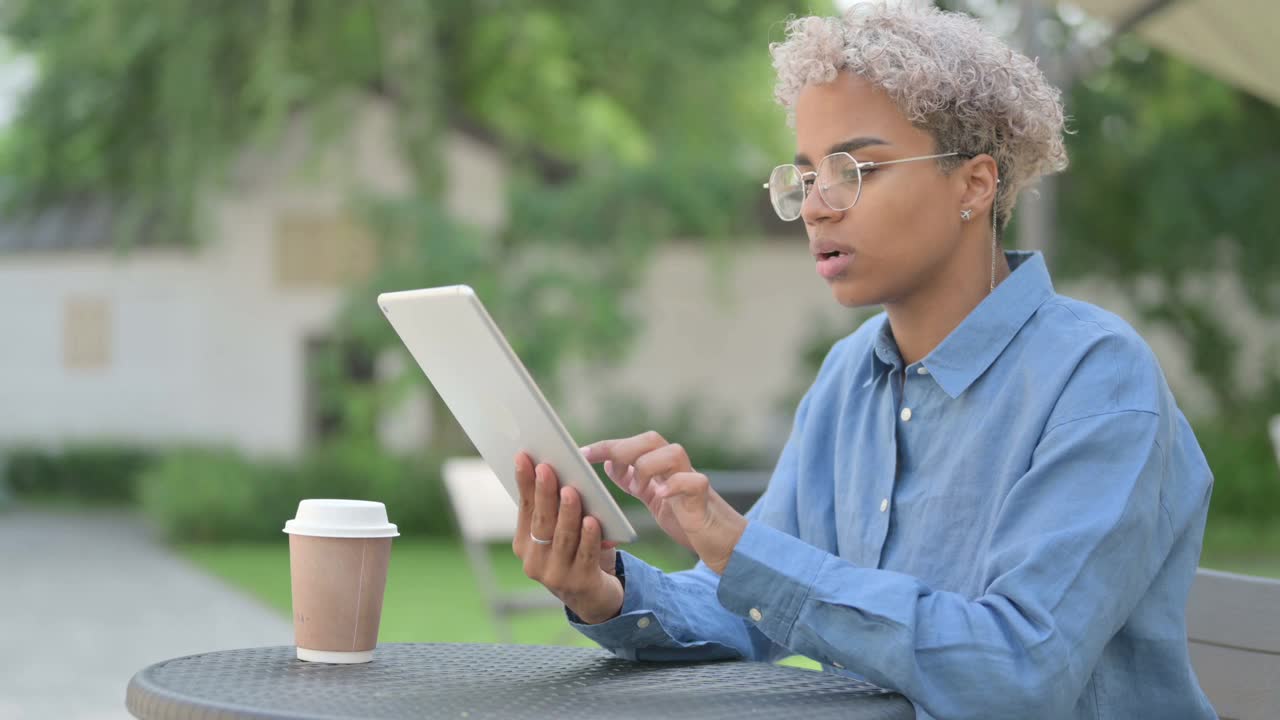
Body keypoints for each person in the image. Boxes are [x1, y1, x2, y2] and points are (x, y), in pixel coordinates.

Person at [510, 4, 1216, 719]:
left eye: (856, 168)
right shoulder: (851, 378)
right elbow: (750, 606)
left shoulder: (1097, 380)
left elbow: (1016, 670)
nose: (816, 206)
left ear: (975, 184)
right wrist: (608, 592)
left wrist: (742, 548)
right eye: (806, 174)